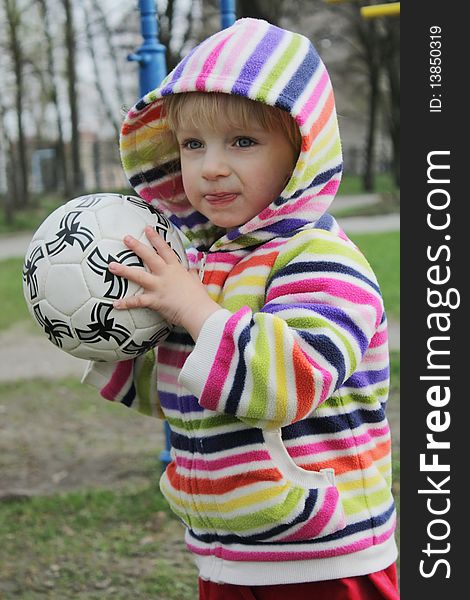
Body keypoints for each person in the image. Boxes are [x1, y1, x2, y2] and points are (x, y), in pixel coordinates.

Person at [83, 17, 399, 599]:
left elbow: (288, 384)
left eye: (243, 142)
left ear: (301, 151)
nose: (210, 167)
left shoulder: (321, 259)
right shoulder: (202, 263)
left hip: (325, 555)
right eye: (192, 145)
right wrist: (102, 333)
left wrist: (196, 309)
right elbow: (180, 391)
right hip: (227, 551)